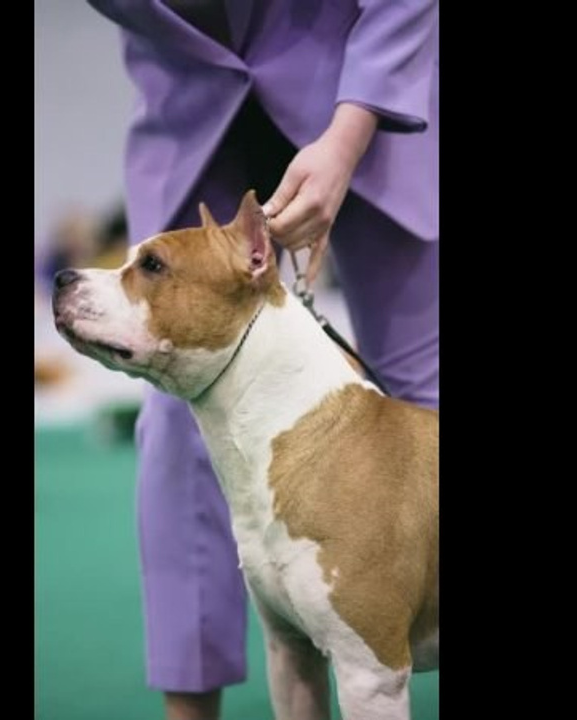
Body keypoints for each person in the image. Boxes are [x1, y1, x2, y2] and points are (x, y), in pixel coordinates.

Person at [86, 2, 439, 718]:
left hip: (361, 84)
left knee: (421, 381)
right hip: (189, 100)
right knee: (173, 418)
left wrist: (348, 134)